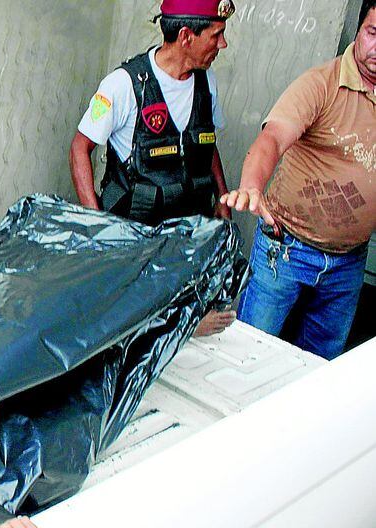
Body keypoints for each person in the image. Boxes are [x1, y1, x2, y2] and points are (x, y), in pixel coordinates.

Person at [69, 0, 236, 336]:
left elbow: (205, 142)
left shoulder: (207, 83)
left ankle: (184, 324)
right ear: (186, 36)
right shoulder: (123, 85)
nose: (223, 44)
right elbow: (79, 149)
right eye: (216, 35)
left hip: (186, 235)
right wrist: (98, 224)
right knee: (132, 324)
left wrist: (222, 197)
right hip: (136, 236)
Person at [221, 1, 376, 360]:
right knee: (246, 352)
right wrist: (252, 186)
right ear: (358, 30)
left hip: (349, 260)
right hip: (287, 248)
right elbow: (273, 139)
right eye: (374, 33)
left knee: (319, 365)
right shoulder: (321, 84)